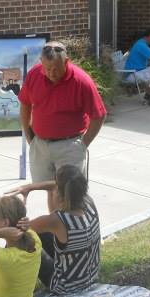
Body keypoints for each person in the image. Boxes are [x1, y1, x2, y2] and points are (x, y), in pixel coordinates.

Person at [18, 42, 107, 196]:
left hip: (69, 146)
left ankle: (69, 221)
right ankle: (56, 220)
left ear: (66, 62)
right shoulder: (34, 74)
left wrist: (83, 145)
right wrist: (29, 137)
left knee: (70, 194)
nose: (52, 73)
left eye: (56, 69)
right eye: (47, 69)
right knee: (50, 192)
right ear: (41, 62)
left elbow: (99, 115)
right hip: (40, 145)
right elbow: (25, 104)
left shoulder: (81, 81)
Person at [9, 164, 100, 294]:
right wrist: (29, 187)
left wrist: (21, 206)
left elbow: (20, 229)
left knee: (23, 240)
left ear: (59, 192)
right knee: (42, 236)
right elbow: (66, 184)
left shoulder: (56, 220)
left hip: (65, 285)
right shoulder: (88, 202)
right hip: (90, 277)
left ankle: (8, 286)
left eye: (56, 186)